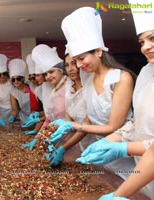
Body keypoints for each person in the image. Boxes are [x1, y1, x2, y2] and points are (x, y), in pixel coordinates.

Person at [78, 1, 154, 199]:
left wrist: (122, 148)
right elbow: (136, 122)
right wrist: (111, 142)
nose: (146, 47)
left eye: (152, 38)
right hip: (144, 172)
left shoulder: (122, 78)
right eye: (141, 42)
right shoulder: (147, 73)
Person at [52, 6, 136, 180]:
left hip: (123, 153)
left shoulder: (121, 78)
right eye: (76, 60)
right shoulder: (87, 77)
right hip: (100, 152)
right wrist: (64, 147)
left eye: (82, 58)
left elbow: (113, 127)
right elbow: (90, 117)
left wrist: (74, 126)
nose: (79, 65)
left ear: (98, 51)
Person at [21, 44, 67, 151]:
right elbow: (49, 119)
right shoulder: (54, 91)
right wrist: (37, 138)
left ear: (60, 70)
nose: (48, 76)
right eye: (46, 73)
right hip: (57, 137)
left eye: (51, 72)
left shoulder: (69, 88)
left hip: (70, 139)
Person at [8, 58, 39, 123]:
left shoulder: (31, 86)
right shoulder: (13, 93)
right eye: (13, 79)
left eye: (18, 78)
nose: (16, 81)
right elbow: (15, 110)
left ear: (23, 78)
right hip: (23, 118)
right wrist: (11, 117)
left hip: (37, 116)